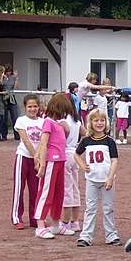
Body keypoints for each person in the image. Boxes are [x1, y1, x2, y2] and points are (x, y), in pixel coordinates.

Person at [74, 108, 120, 247]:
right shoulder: (86, 141)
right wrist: (82, 165)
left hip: (106, 180)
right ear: (90, 122)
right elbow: (76, 154)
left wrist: (111, 177)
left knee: (108, 208)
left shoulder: (109, 141)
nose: (99, 123)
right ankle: (86, 236)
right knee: (90, 208)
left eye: (102, 120)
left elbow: (114, 160)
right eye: (96, 120)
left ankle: (111, 235)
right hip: (91, 179)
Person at [34, 94, 73, 239]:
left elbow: (62, 141)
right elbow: (44, 144)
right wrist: (42, 164)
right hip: (51, 161)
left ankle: (56, 225)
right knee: (46, 193)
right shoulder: (48, 122)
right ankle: (40, 225)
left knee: (58, 194)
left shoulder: (59, 124)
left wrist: (66, 130)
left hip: (60, 161)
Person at [11, 94, 44, 229]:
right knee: (19, 188)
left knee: (35, 190)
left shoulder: (42, 121)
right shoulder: (21, 120)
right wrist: (35, 155)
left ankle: (34, 218)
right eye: (30, 106)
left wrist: (39, 157)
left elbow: (43, 141)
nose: (32, 109)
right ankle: (16, 217)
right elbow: (25, 139)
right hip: (23, 157)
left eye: (35, 106)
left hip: (36, 160)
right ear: (25, 107)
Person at [59, 96, 86, 233]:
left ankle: (65, 222)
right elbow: (85, 133)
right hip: (75, 153)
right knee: (75, 188)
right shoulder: (76, 120)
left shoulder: (62, 121)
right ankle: (75, 221)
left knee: (67, 189)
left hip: (65, 153)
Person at [3, 65, 20, 141]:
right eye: (7, 71)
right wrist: (3, 76)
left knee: (15, 117)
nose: (9, 73)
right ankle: (4, 135)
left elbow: (16, 88)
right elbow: (1, 85)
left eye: (10, 71)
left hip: (12, 98)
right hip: (4, 98)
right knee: (4, 118)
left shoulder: (13, 78)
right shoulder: (3, 77)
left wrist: (16, 78)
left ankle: (17, 135)